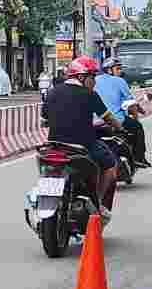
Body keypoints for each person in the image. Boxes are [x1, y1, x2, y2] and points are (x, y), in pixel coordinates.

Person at [41, 56, 124, 221]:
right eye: (92, 76)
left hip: (54, 146)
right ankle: (98, 202)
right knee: (111, 167)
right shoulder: (90, 95)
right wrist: (120, 127)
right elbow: (109, 119)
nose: (94, 81)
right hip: (83, 146)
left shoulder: (52, 92)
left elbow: (44, 119)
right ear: (81, 77)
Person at [93, 58, 151, 168]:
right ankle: (139, 158)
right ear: (109, 70)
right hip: (116, 119)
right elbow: (131, 103)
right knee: (137, 127)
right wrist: (137, 115)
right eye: (118, 68)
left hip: (96, 121)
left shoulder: (94, 81)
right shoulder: (120, 81)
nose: (120, 71)